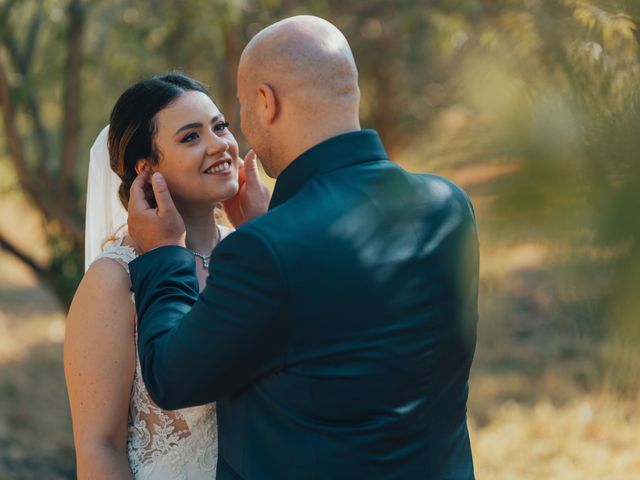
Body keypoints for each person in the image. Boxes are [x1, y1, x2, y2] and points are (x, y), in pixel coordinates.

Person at [127, 16, 479, 480]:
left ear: (265, 101)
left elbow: (172, 378)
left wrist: (162, 255)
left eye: (235, 114)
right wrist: (272, 227)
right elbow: (352, 334)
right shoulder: (449, 204)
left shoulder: (266, 249)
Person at [64, 72, 269, 479]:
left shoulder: (250, 252)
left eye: (220, 126)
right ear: (146, 168)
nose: (219, 146)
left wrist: (265, 234)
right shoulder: (115, 280)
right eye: (191, 137)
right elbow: (98, 448)